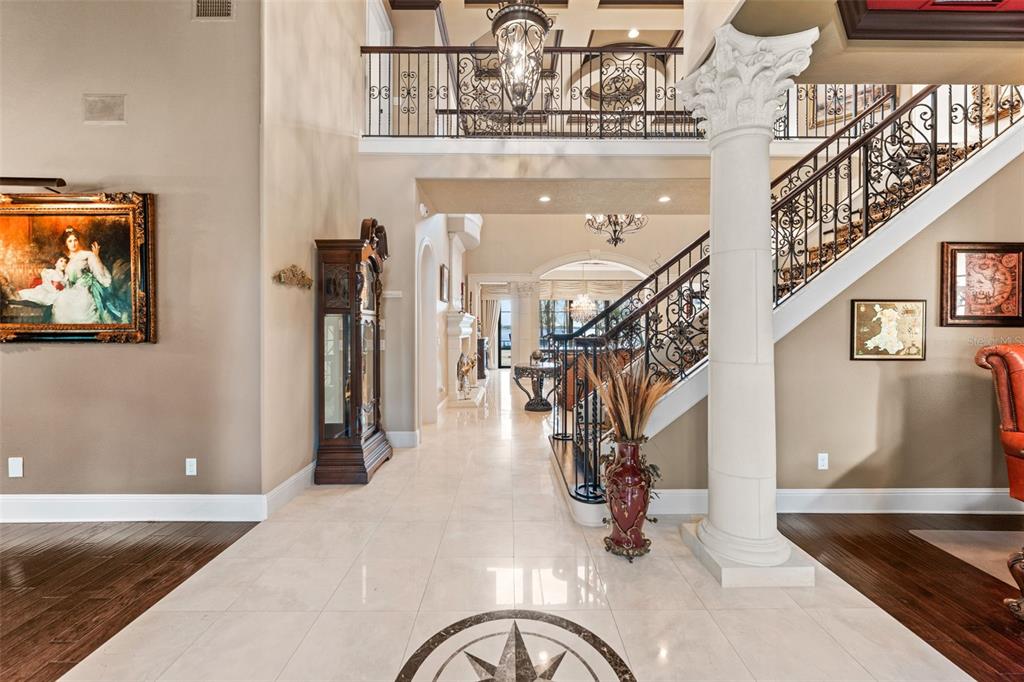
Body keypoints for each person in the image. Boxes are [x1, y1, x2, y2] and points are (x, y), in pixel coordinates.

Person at [51, 227, 126, 324]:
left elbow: (98, 271)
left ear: (78, 241)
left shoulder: (87, 255)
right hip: (71, 290)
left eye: (75, 240)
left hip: (85, 290)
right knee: (62, 301)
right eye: (70, 241)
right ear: (66, 243)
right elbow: (65, 277)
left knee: (82, 309)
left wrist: (96, 257)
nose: (73, 244)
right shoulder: (66, 258)